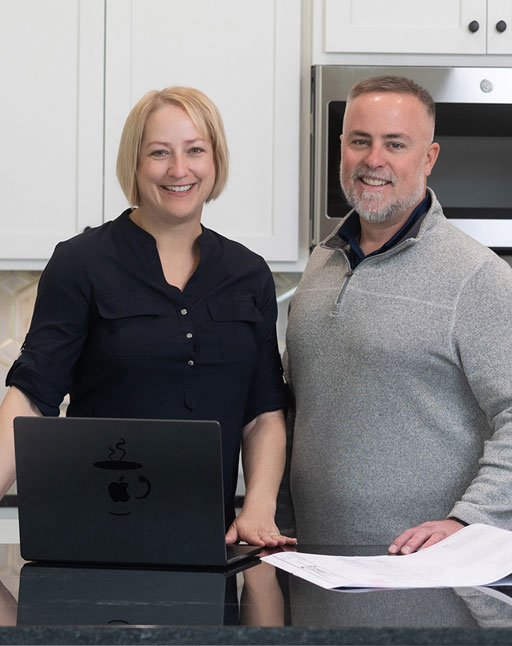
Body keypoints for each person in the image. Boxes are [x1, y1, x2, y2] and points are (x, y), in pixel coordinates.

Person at [1, 86, 295, 548]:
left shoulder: (248, 273)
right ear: (134, 165)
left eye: (195, 150)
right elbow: (32, 396)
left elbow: (263, 413)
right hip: (93, 537)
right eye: (159, 152)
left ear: (215, 159)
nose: (179, 169)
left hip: (210, 542)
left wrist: (259, 508)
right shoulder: (81, 263)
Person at [280, 75, 512, 554]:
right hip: (314, 560)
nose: (374, 160)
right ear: (341, 147)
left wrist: (469, 522)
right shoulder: (321, 264)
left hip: (423, 570)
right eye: (360, 141)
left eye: (395, 144)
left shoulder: (477, 277)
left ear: (428, 158)